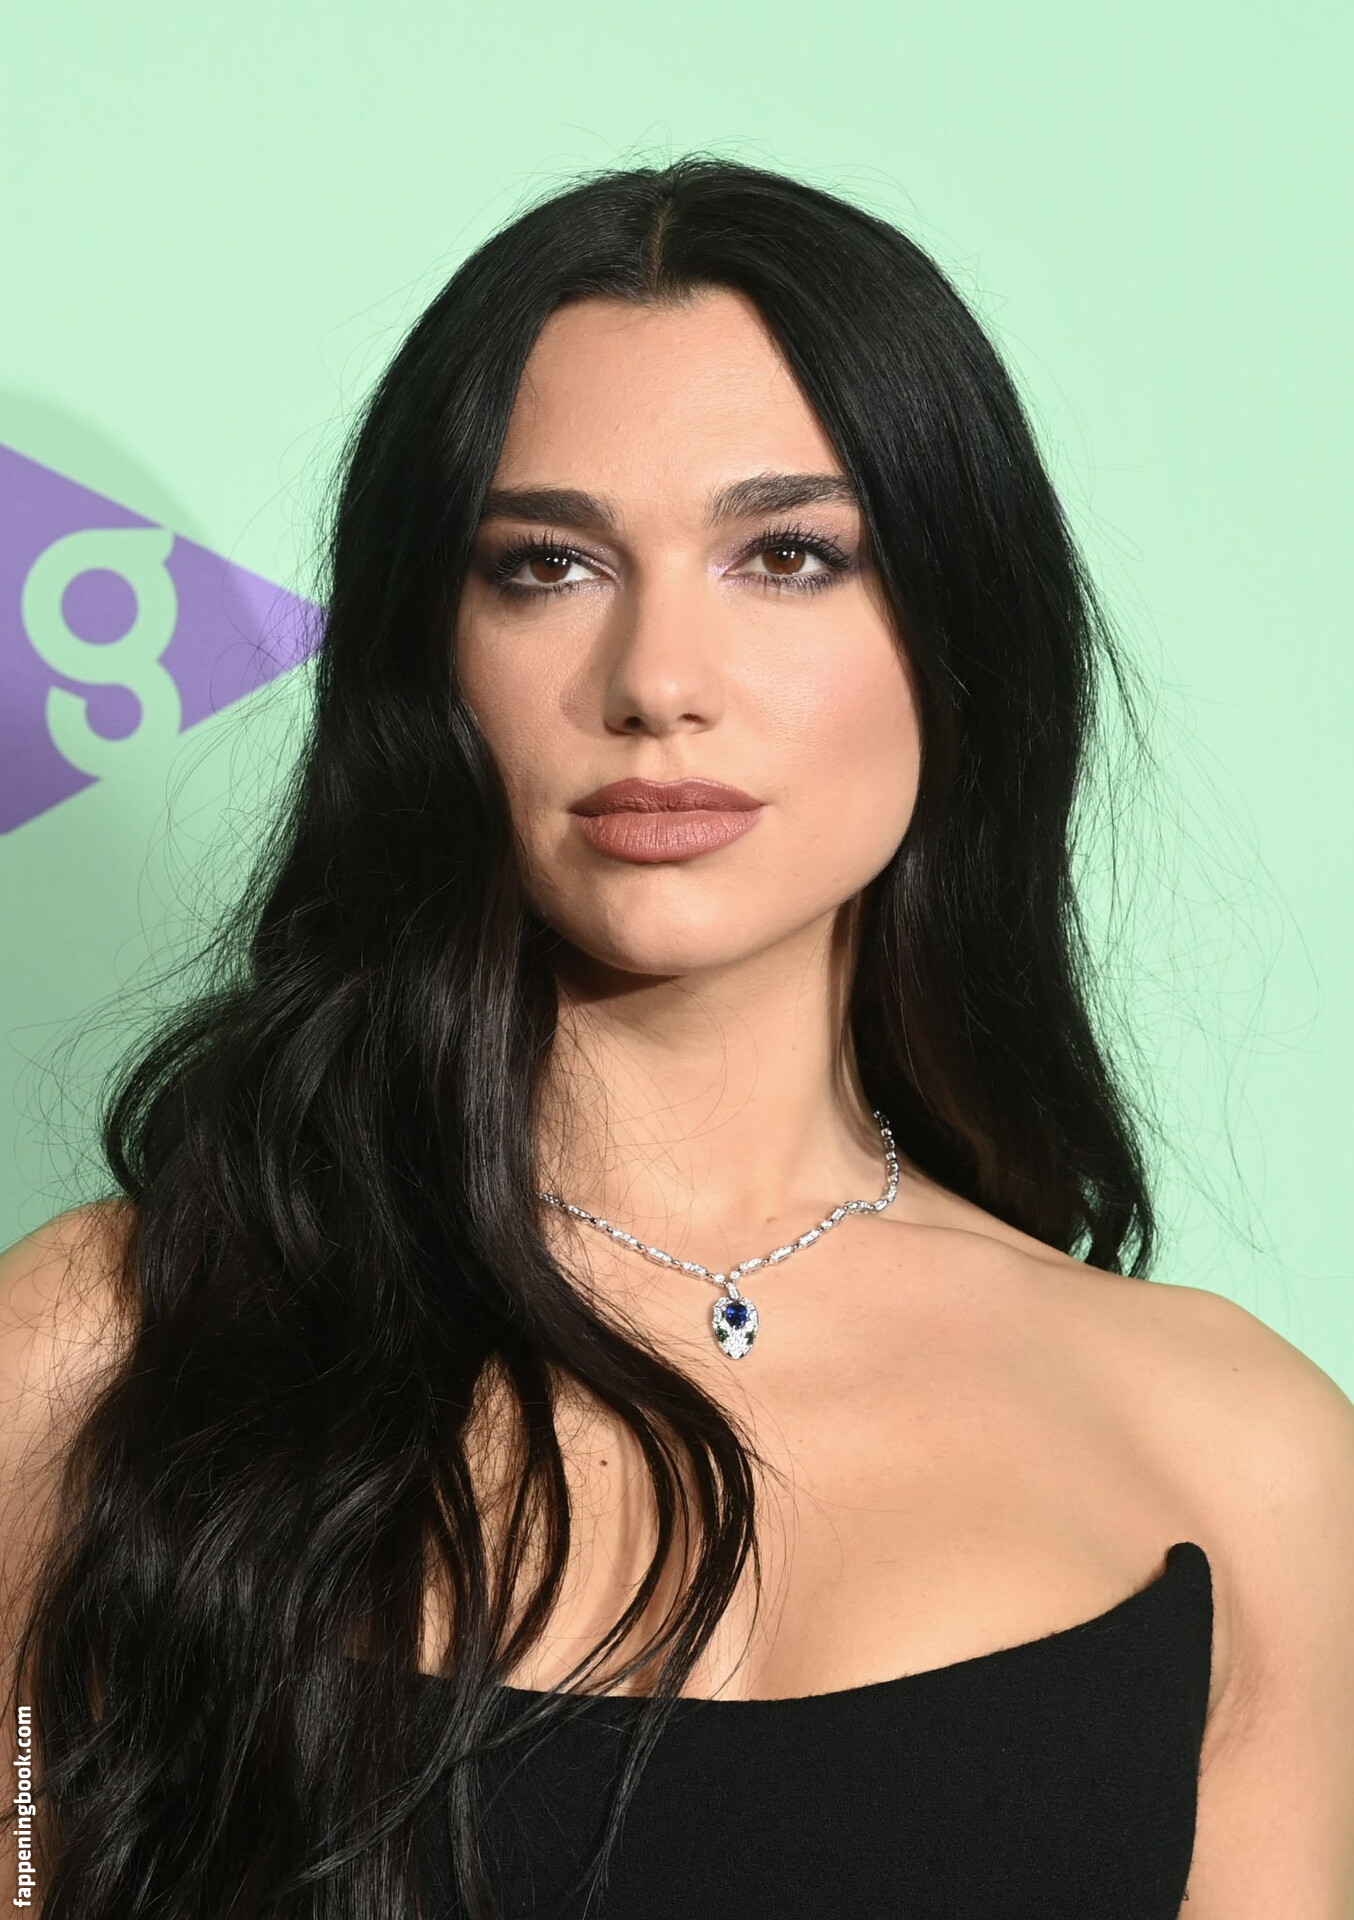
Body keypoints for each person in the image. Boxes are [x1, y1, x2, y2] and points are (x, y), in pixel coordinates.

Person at [2, 155, 1352, 1920]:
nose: (655, 680)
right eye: (546, 565)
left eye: (787, 556)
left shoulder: (1237, 1447)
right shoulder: (101, 1349)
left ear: (958, 635)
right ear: (429, 650)